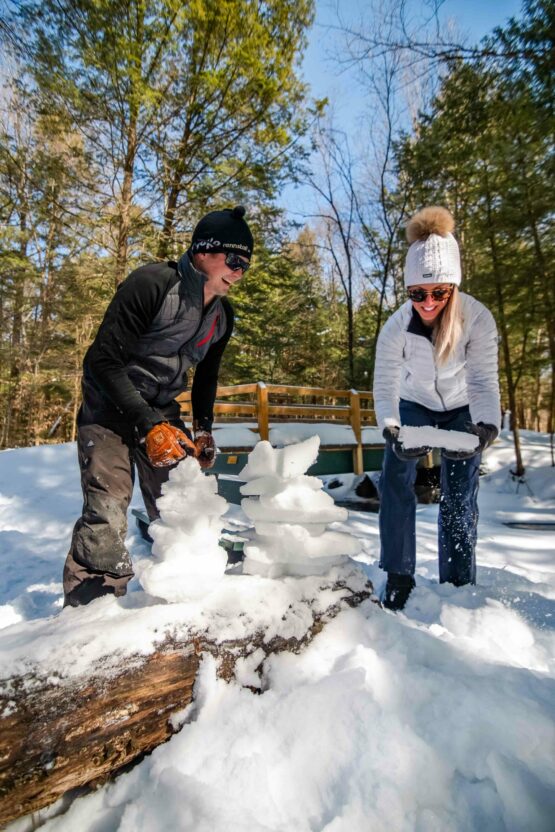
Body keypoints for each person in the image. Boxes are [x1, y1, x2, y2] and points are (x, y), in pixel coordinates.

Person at [63, 205, 253, 607]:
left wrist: (202, 429)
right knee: (107, 510)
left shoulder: (222, 316)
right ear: (203, 252)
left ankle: (188, 593)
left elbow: (205, 378)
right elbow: (101, 361)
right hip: (109, 409)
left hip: (161, 410)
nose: (239, 271)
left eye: (246, 265)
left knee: (183, 499)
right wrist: (147, 423)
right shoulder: (151, 283)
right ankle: (91, 612)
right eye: (234, 260)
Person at [373, 206, 500, 611]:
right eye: (417, 294)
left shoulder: (477, 320)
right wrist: (391, 427)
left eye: (438, 293)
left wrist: (487, 426)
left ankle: (459, 581)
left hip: (463, 407)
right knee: (395, 477)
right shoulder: (396, 327)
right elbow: (386, 382)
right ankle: (398, 574)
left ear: (453, 288)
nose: (427, 303)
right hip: (414, 404)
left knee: (459, 492)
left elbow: (482, 380)